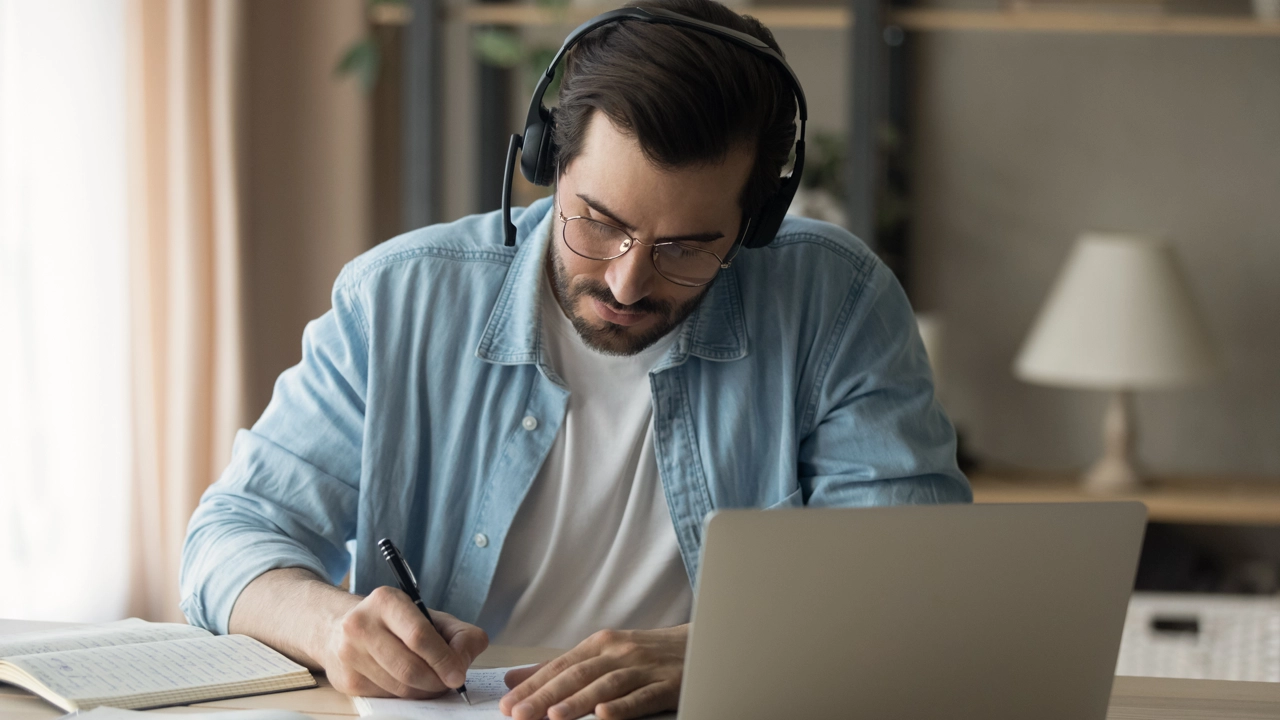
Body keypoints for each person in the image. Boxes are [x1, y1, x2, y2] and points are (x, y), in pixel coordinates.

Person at [179, 0, 970, 718]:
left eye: (686, 247)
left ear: (754, 225)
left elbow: (913, 581)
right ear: (549, 162)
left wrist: (714, 651)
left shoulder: (836, 300)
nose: (628, 280)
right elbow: (229, 538)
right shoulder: (398, 300)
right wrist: (332, 627)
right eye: (597, 221)